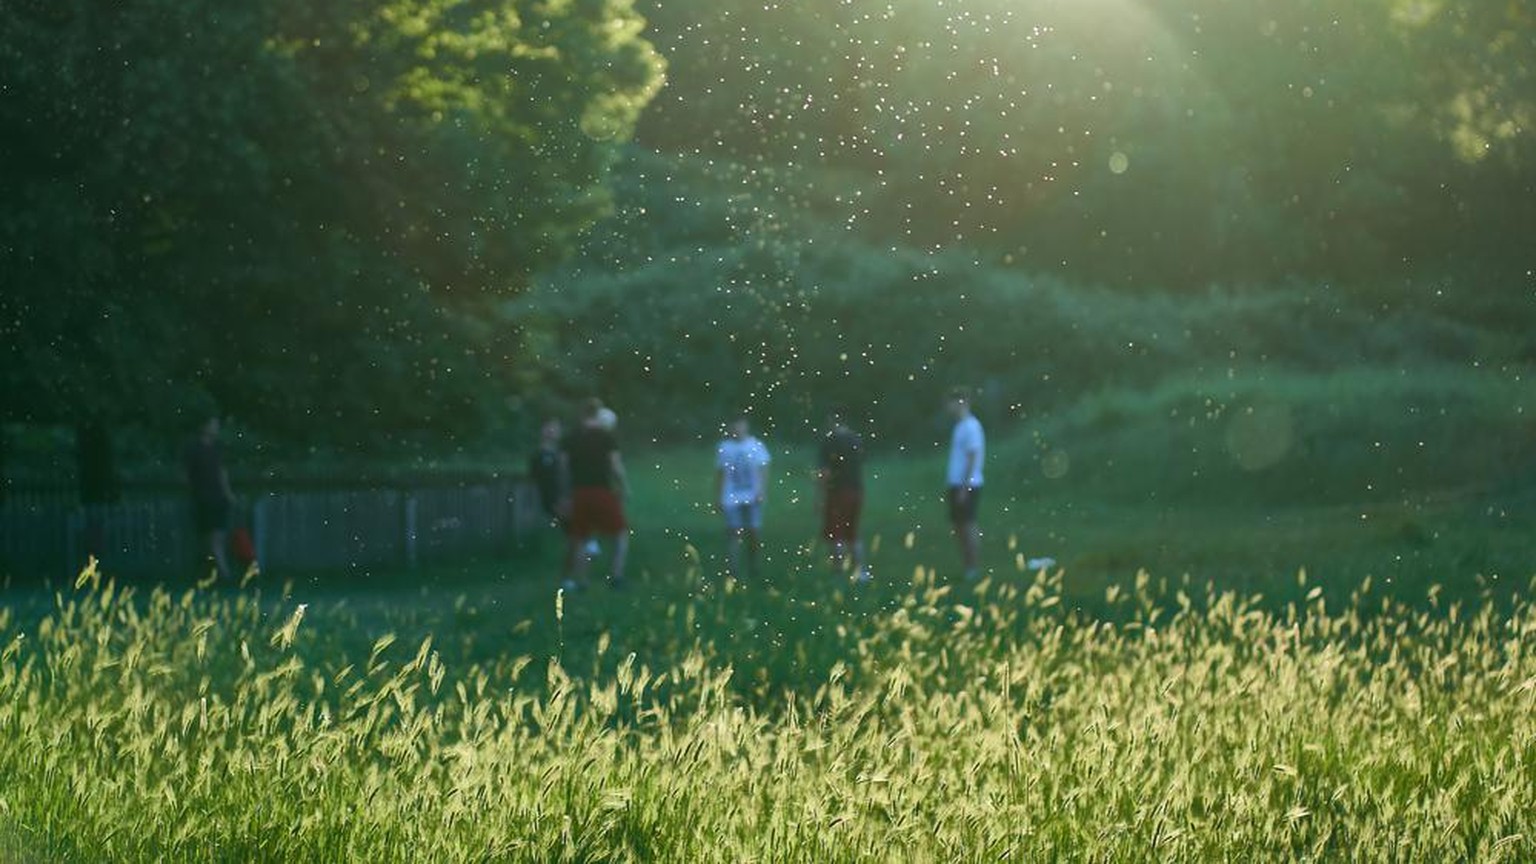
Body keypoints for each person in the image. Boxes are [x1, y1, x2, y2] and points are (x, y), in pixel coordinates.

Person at [559, 399, 629, 590]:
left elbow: (563, 468)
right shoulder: (606, 438)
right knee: (620, 535)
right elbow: (615, 465)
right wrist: (624, 486)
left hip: (579, 492)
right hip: (602, 491)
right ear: (599, 415)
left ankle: (582, 581)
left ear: (582, 415)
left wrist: (565, 494)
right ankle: (616, 577)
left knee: (581, 537)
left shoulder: (570, 438)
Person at [716, 414, 771, 579]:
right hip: (731, 496)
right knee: (734, 532)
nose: (737, 429)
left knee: (753, 532)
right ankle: (732, 569)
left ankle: (754, 566)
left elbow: (763, 469)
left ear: (746, 426)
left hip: (752, 495)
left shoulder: (756, 445)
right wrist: (718, 497)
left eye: (740, 425)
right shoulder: (724, 447)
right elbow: (720, 473)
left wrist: (762, 490)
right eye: (734, 426)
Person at [184, 415, 236, 581]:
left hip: (218, 497)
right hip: (202, 498)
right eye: (213, 424)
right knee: (208, 539)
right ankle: (223, 574)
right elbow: (187, 474)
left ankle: (217, 574)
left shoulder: (217, 448)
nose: (216, 428)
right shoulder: (194, 448)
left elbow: (222, 473)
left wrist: (228, 494)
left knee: (217, 538)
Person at [818, 408, 868, 582]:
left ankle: (838, 572)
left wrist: (820, 495)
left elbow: (825, 472)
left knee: (836, 533)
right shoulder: (856, 439)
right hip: (856, 489)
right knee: (853, 532)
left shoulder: (830, 441)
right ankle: (860, 571)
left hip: (837, 491)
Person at [944, 388, 985, 581]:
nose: (948, 407)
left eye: (952, 402)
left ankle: (973, 567)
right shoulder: (959, 426)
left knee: (968, 525)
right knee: (958, 525)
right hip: (956, 484)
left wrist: (965, 486)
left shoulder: (971, 426)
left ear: (962, 402)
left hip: (967, 484)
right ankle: (967, 565)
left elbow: (973, 456)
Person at [527, 418, 565, 531]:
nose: (552, 431)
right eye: (549, 428)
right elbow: (532, 480)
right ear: (542, 430)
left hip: (562, 503)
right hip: (542, 503)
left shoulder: (563, 454)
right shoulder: (537, 456)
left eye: (555, 428)